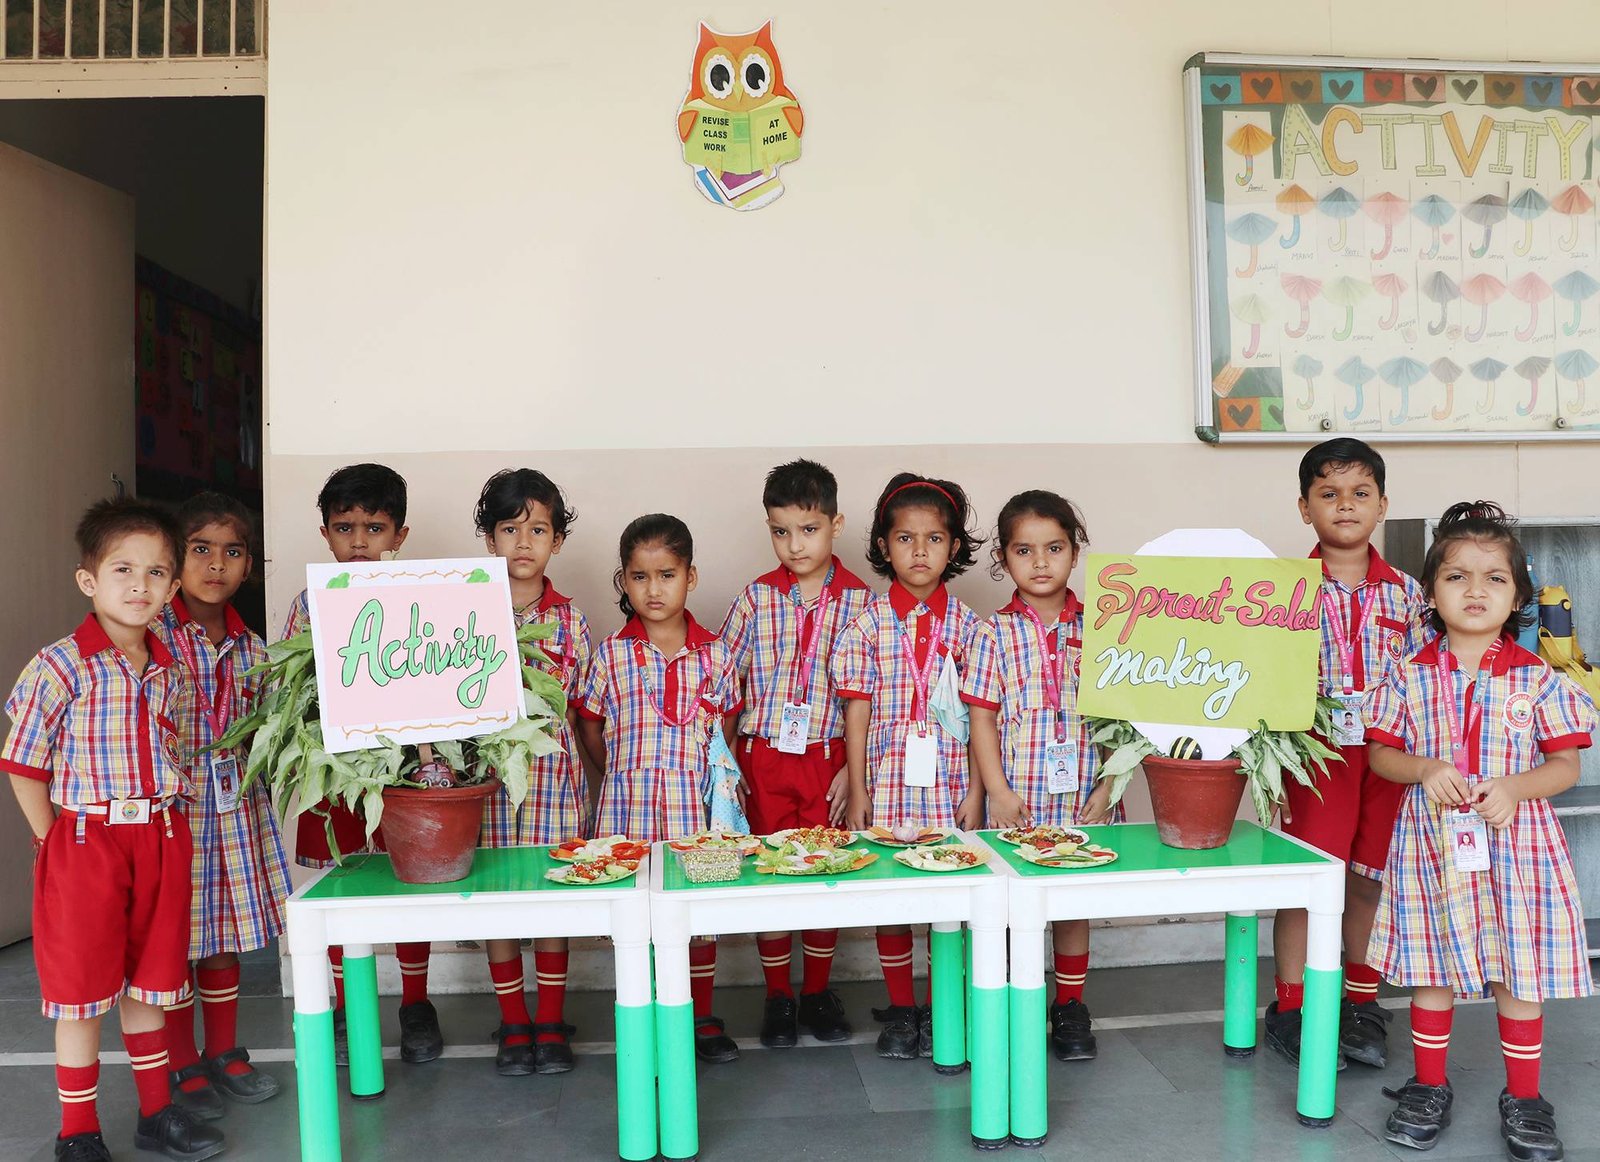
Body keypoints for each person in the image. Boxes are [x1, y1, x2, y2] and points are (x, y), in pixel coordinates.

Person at [1367, 502, 1593, 1159]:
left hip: (1518, 847)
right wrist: (1424, 768)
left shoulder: (1539, 679)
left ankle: (1524, 1097)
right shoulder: (1406, 675)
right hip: (1431, 845)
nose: (1475, 590)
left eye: (1495, 578)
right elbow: (1380, 755)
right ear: (1430, 592)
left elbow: (1566, 766)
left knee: (1518, 969)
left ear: (1518, 596)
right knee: (1431, 963)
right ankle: (1428, 1085)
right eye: (1456, 576)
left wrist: (1515, 788)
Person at [3, 499, 225, 1162]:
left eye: (156, 572)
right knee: (80, 996)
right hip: (85, 843)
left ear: (173, 586)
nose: (139, 585)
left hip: (159, 836)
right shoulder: (60, 665)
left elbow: (171, 748)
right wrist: (52, 841)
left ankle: (157, 1114)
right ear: (88, 580)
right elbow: (23, 764)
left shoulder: (170, 666)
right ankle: (78, 1130)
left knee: (151, 983)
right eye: (122, 569)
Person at [1267, 438, 1429, 1071]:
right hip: (1315, 758)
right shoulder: (1281, 592)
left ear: (1382, 506)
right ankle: (1292, 1007)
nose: (1345, 505)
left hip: (1387, 759)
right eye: (1328, 494)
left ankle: (1361, 1005)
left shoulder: (1411, 595)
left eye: (1361, 493)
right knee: (1309, 879)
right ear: (1304, 507)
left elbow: (1423, 681)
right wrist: (1271, 771)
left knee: (1368, 879)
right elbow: (1262, 682)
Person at [281, 463, 441, 1066]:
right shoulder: (308, 605)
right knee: (341, 885)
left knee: (408, 882)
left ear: (400, 535)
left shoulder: (419, 596)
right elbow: (293, 689)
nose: (359, 542)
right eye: (344, 528)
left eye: (375, 529)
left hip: (405, 770)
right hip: (335, 772)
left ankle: (416, 1004)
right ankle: (348, 1006)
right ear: (325, 533)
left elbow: (439, 679)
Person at [831, 473, 992, 1061]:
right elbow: (856, 713)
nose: (919, 552)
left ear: (954, 548)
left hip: (951, 785)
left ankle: (946, 1007)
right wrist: (857, 787)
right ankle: (902, 1008)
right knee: (893, 895)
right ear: (883, 545)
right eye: (905, 539)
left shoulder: (973, 628)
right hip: (889, 784)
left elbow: (980, 718)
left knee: (951, 898)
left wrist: (977, 792)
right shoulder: (866, 625)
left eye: (934, 539)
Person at [576, 514, 742, 1063]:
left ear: (690, 577)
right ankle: (644, 1014)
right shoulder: (610, 654)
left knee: (698, 918)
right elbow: (590, 728)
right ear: (624, 581)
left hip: (696, 810)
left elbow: (726, 732)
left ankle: (700, 1016)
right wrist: (621, 773)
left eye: (667, 575)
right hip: (628, 810)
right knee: (636, 918)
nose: (654, 589)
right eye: (640, 576)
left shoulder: (717, 655)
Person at [719, 459, 873, 1048]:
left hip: (828, 761)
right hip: (762, 758)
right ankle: (779, 994)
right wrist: (728, 764)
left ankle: (817, 992)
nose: (795, 545)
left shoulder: (861, 603)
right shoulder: (755, 599)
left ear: (836, 524)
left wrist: (852, 773)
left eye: (808, 530)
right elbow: (726, 685)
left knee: (823, 872)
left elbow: (869, 698)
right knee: (771, 873)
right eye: (780, 531)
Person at [965, 489, 1116, 1062]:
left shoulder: (1104, 627)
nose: (1041, 562)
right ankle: (1016, 1002)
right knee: (1011, 905)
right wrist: (997, 792)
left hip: (1084, 796)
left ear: (1075, 551)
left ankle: (1070, 1006)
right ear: (1004, 558)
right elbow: (982, 719)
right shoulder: (991, 634)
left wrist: (1110, 786)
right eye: (1024, 551)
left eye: (1054, 548)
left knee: (1072, 903)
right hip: (1018, 800)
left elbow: (1121, 720)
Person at [157, 493, 290, 1120]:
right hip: (172, 810)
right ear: (173, 559)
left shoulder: (255, 648)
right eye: (200, 549)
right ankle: (181, 1060)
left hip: (233, 808)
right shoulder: (151, 635)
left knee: (222, 933)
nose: (216, 564)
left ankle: (225, 1051)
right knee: (173, 938)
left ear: (249, 566)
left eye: (232, 551)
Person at [472, 469, 593, 1076]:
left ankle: (549, 1019)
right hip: (487, 778)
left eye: (538, 530)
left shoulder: (571, 619)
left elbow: (578, 705)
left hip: (551, 778)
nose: (524, 542)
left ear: (557, 541)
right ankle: (514, 1020)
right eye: (509, 529)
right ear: (489, 538)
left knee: (551, 894)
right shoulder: (465, 612)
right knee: (498, 896)